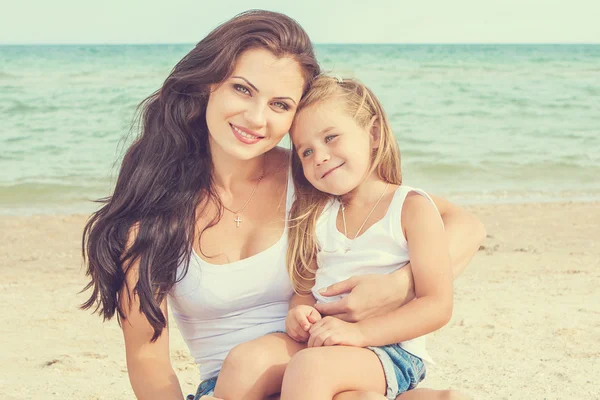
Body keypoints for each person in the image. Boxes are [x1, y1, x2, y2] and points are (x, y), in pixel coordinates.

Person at [81, 10, 486, 400]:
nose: (257, 118)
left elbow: (462, 225)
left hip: (327, 364)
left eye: (280, 105)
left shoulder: (311, 177)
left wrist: (398, 286)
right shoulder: (152, 215)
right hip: (231, 388)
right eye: (242, 89)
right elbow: (147, 357)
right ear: (209, 84)